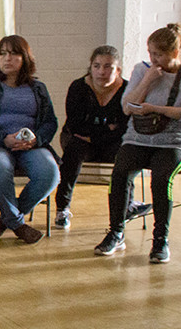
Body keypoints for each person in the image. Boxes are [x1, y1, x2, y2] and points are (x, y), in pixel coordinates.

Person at [94, 23, 181, 263]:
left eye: (159, 54)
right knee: (120, 172)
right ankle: (116, 231)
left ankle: (160, 240)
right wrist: (146, 81)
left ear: (174, 53)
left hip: (175, 141)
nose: (153, 59)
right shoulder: (142, 70)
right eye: (150, 53)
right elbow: (127, 107)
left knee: (161, 178)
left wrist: (154, 109)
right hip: (139, 138)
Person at [0, 35, 60, 244]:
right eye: (2, 53)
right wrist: (3, 139)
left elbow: (50, 122)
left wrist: (36, 140)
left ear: (25, 57)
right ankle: (17, 223)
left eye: (13, 53)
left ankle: (5, 220)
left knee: (50, 174)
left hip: (30, 145)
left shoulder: (38, 88)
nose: (7, 58)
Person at [54, 45, 149, 229]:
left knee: (128, 153)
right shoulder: (78, 87)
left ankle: (127, 205)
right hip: (79, 141)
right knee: (73, 151)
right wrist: (108, 129)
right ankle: (62, 209)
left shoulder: (127, 89)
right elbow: (75, 125)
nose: (101, 72)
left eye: (108, 67)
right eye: (96, 66)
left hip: (110, 143)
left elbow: (124, 128)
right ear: (90, 67)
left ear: (118, 70)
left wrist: (95, 135)